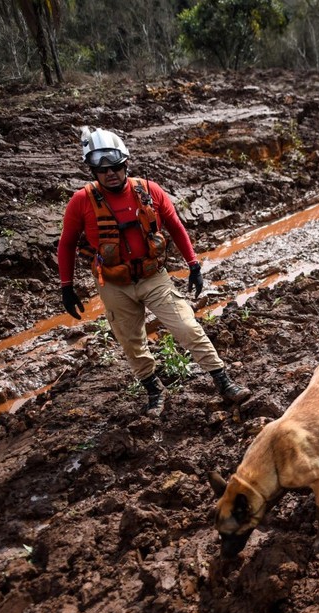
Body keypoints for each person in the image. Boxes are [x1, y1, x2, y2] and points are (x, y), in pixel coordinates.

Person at [57, 127, 251, 417]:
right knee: (131, 342)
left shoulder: (150, 191)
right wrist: (66, 286)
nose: (110, 174)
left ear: (126, 164)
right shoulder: (81, 202)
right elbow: (67, 243)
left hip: (153, 277)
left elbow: (175, 226)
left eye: (116, 167)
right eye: (102, 169)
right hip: (114, 283)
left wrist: (194, 265)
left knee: (186, 327)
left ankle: (223, 382)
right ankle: (154, 390)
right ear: (93, 171)